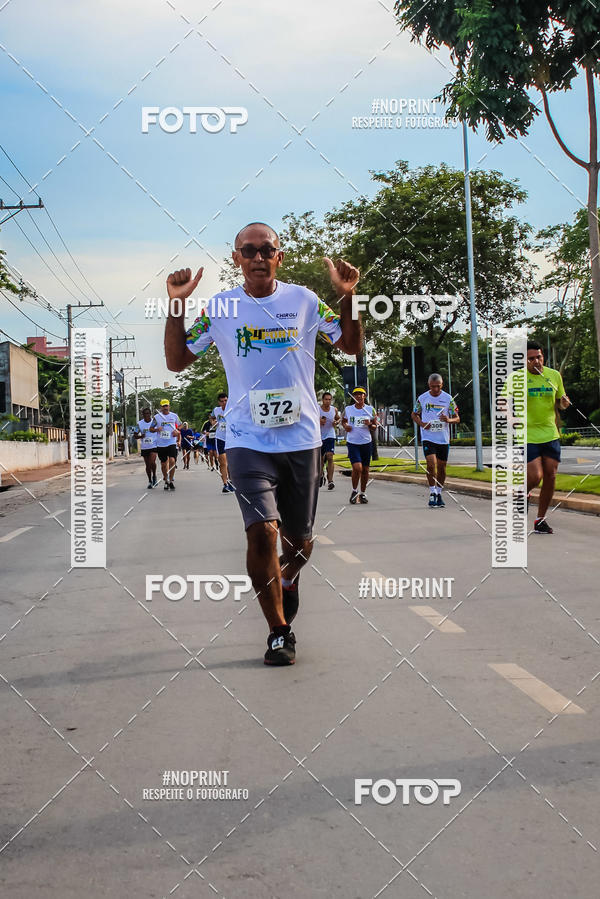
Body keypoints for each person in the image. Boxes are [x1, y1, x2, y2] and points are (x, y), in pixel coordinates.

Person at [164, 221, 361, 665]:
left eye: (265, 250)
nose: (257, 257)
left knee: (299, 542)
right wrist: (177, 307)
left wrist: (349, 296)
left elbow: (349, 345)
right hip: (246, 439)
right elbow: (177, 361)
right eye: (247, 250)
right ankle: (278, 631)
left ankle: (288, 579)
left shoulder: (305, 302)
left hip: (303, 439)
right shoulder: (220, 308)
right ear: (236, 258)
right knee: (261, 533)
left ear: (279, 257)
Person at [523, 341, 570, 534]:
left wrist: (564, 403)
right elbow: (504, 402)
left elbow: (560, 402)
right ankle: (521, 492)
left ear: (543, 357)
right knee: (535, 476)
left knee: (550, 476)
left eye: (539, 357)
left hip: (550, 434)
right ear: (525, 361)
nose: (536, 361)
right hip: (527, 435)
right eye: (531, 358)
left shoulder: (554, 375)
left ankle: (540, 520)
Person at [411, 374, 460, 508]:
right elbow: (414, 414)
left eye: (438, 386)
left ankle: (439, 492)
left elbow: (457, 417)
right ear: (429, 386)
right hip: (428, 437)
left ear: (442, 385)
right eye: (433, 387)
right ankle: (432, 492)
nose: (436, 389)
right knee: (431, 464)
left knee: (442, 467)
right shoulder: (423, 398)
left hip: (443, 438)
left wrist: (449, 420)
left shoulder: (448, 399)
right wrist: (422, 424)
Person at [342, 387, 378, 504]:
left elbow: (375, 426)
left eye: (360, 394)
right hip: (353, 442)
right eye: (356, 394)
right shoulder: (348, 409)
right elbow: (344, 421)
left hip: (366, 442)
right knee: (357, 468)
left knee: (366, 470)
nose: (358, 396)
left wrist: (369, 425)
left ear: (364, 396)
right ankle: (354, 490)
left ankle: (362, 493)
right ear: (353, 397)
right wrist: (345, 426)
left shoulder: (370, 409)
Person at [150, 399, 181, 490]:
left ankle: (171, 480)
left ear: (169, 406)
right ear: (161, 407)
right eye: (163, 406)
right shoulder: (157, 417)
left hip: (171, 442)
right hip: (161, 444)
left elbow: (180, 425)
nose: (165, 408)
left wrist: (177, 431)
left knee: (172, 461)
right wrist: (156, 429)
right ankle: (166, 480)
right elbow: (151, 428)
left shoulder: (174, 416)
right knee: (163, 464)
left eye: (166, 406)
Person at [213, 392, 234, 493]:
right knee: (223, 462)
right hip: (220, 438)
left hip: (232, 437)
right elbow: (212, 418)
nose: (224, 403)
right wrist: (214, 422)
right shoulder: (216, 410)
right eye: (222, 401)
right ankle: (225, 484)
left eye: (226, 400)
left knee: (231, 462)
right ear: (219, 402)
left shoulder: (233, 408)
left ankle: (231, 482)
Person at [319, 391, 340, 489]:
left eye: (329, 399)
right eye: (326, 399)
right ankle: (321, 474)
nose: (327, 401)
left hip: (330, 435)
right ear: (322, 400)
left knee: (330, 456)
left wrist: (336, 422)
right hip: (319, 436)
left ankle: (330, 480)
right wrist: (319, 421)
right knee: (321, 459)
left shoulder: (334, 409)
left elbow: (338, 419)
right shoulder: (317, 410)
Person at [134, 407, 158, 488]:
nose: (146, 415)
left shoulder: (154, 422)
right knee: (147, 465)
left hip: (154, 445)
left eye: (148, 413)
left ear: (150, 414)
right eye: (145, 414)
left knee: (152, 462)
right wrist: (140, 436)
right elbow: (135, 435)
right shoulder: (139, 423)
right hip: (144, 447)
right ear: (142, 415)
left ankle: (154, 476)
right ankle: (150, 481)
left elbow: (159, 430)